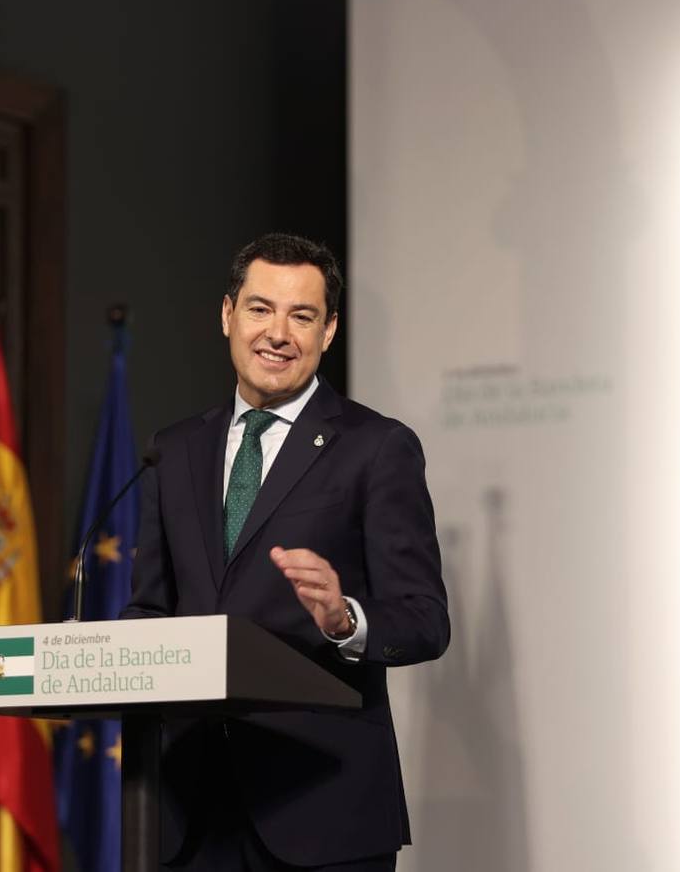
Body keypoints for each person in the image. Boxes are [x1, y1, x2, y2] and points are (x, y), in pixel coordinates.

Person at [123, 232, 450, 871]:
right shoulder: (174, 450)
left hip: (322, 810)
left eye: (301, 316)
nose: (277, 333)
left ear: (329, 332)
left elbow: (425, 620)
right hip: (189, 815)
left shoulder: (377, 447)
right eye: (259, 309)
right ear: (227, 315)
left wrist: (346, 619)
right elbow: (151, 609)